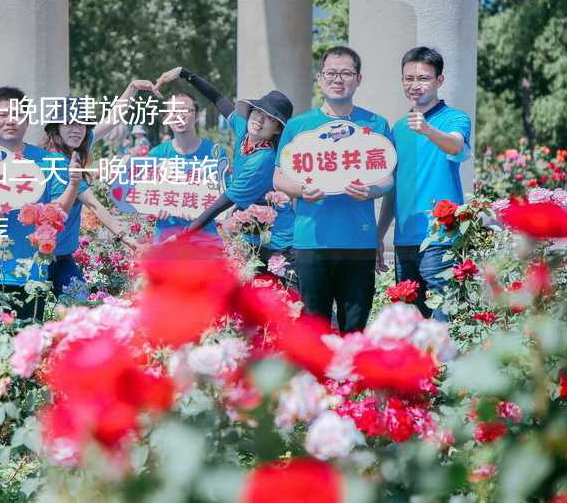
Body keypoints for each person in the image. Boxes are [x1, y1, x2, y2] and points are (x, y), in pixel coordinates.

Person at [273, 46, 394, 332]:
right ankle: (317, 379)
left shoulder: (376, 125)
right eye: (331, 73)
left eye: (346, 73)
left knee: (355, 329)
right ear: (320, 78)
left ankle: (352, 379)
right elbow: (278, 177)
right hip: (311, 241)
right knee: (314, 329)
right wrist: (301, 190)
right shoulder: (299, 126)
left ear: (359, 79)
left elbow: (388, 179)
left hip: (358, 242)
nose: (338, 79)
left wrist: (371, 190)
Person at [154, 66, 295, 274]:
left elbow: (223, 202)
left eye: (270, 119)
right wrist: (185, 74)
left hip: (279, 242)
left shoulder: (263, 160)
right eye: (258, 112)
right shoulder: (244, 131)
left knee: (286, 302)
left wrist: (184, 233)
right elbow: (218, 98)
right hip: (252, 237)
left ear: (277, 130)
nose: (260, 120)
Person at [0, 86, 82, 321]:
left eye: (17, 114)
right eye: (2, 114)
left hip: (31, 276)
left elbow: (59, 211)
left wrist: (73, 185)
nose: (10, 120)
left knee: (26, 351)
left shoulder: (51, 162)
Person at [377, 47, 471, 322]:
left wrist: (428, 129)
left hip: (440, 240)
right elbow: (393, 187)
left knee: (445, 325)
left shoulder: (455, 118)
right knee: (411, 328)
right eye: (408, 78)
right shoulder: (398, 128)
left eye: (423, 78)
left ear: (439, 81)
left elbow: (456, 145)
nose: (414, 85)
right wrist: (379, 234)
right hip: (405, 239)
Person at [42, 95, 143, 299]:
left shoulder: (74, 151)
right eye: (69, 123)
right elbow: (95, 205)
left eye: (82, 124)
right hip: (42, 258)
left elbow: (111, 119)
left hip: (62, 256)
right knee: (72, 309)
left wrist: (132, 88)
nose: (77, 129)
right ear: (56, 128)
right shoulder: (57, 162)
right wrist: (127, 239)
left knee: (76, 311)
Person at [143, 90, 224, 244]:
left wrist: (202, 211)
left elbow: (226, 196)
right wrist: (155, 208)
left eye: (185, 110)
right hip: (166, 241)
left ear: (197, 115)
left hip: (205, 242)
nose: (179, 116)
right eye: (173, 111)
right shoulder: (156, 154)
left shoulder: (215, 153)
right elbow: (145, 196)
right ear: (166, 117)